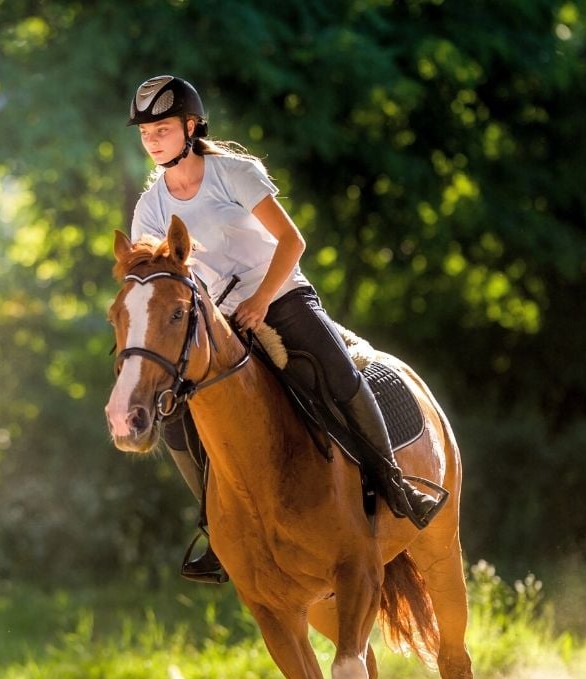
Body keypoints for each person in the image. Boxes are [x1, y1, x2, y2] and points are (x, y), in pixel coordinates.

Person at [126, 75, 447, 583]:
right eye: (145, 132)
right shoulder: (151, 207)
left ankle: (395, 483)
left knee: (340, 376)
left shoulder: (233, 172)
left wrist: (259, 300)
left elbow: (291, 241)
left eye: (161, 128)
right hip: (217, 325)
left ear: (191, 127)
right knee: (175, 419)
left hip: (280, 297)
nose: (151, 139)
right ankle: (216, 527)